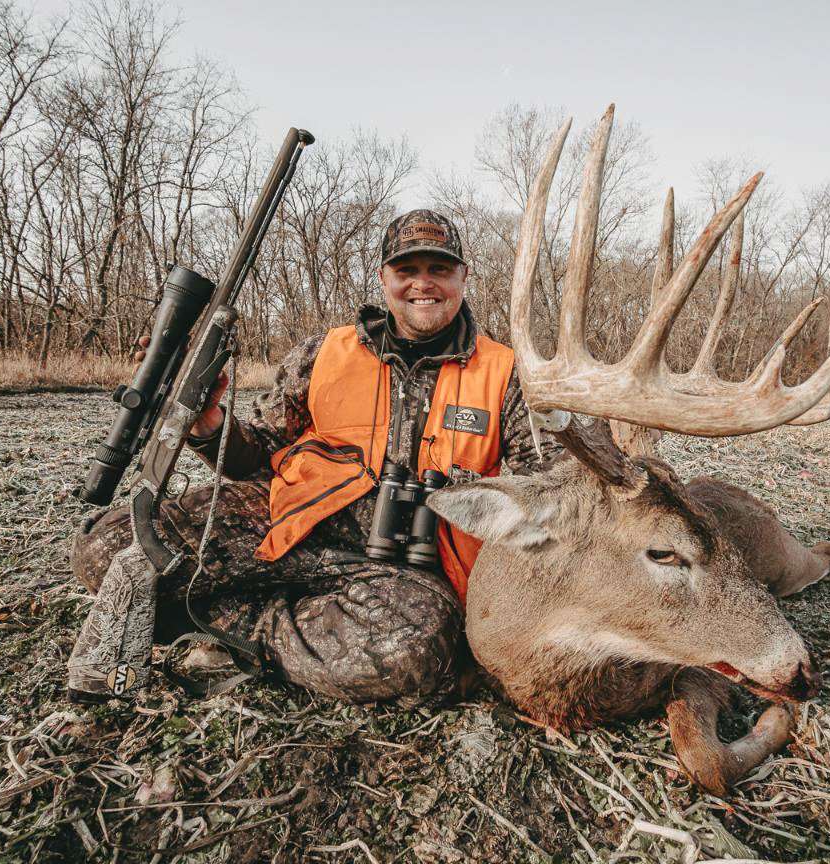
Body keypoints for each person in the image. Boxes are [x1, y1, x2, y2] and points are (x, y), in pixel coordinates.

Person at [71, 210, 548, 703]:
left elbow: (550, 486)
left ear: (463, 277)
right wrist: (209, 424)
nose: (423, 284)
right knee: (103, 549)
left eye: (439, 269)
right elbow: (258, 453)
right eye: (407, 270)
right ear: (383, 278)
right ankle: (303, 623)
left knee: (420, 648)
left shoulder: (507, 373)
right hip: (292, 524)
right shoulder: (324, 352)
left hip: (410, 569)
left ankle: (239, 629)